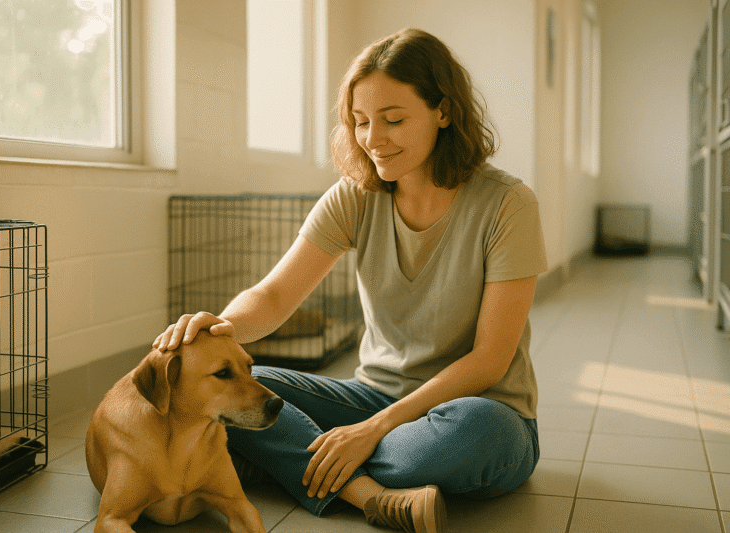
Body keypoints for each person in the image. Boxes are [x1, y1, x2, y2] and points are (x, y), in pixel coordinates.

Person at [154, 28, 547, 533]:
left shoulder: (508, 204)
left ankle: (294, 461)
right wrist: (221, 328)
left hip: (476, 411)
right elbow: (274, 296)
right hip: (371, 397)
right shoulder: (356, 195)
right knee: (250, 391)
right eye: (361, 122)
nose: (373, 139)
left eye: (394, 120)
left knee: (477, 435)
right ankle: (369, 495)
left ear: (444, 112)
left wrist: (372, 430)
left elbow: (490, 360)